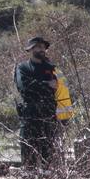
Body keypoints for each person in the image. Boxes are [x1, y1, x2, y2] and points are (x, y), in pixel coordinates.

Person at [13, 35, 60, 169]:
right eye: (38, 47)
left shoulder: (50, 68)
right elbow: (25, 88)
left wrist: (42, 86)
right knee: (29, 159)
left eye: (43, 47)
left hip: (48, 117)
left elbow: (55, 87)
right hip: (30, 118)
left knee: (48, 158)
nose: (42, 49)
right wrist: (45, 85)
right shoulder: (22, 68)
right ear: (30, 49)